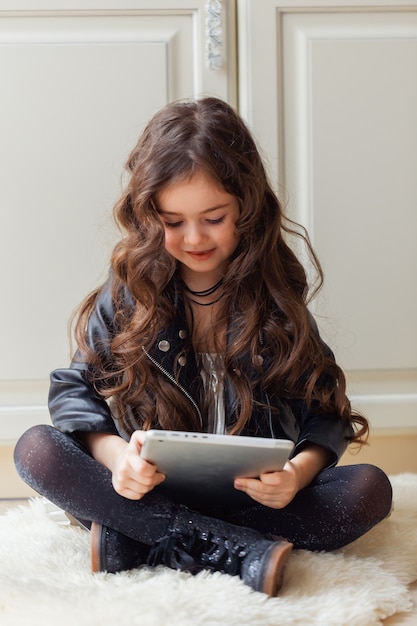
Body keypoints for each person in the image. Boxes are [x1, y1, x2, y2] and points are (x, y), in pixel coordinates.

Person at [14, 97, 392, 597]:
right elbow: (73, 388)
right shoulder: (133, 287)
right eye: (173, 222)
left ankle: (149, 541)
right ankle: (230, 547)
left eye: (213, 218)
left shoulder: (275, 291)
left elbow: (325, 409)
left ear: (247, 209)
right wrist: (115, 457)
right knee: (37, 448)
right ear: (149, 215)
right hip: (148, 492)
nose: (193, 238)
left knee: (370, 488)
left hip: (247, 499)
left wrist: (297, 476)